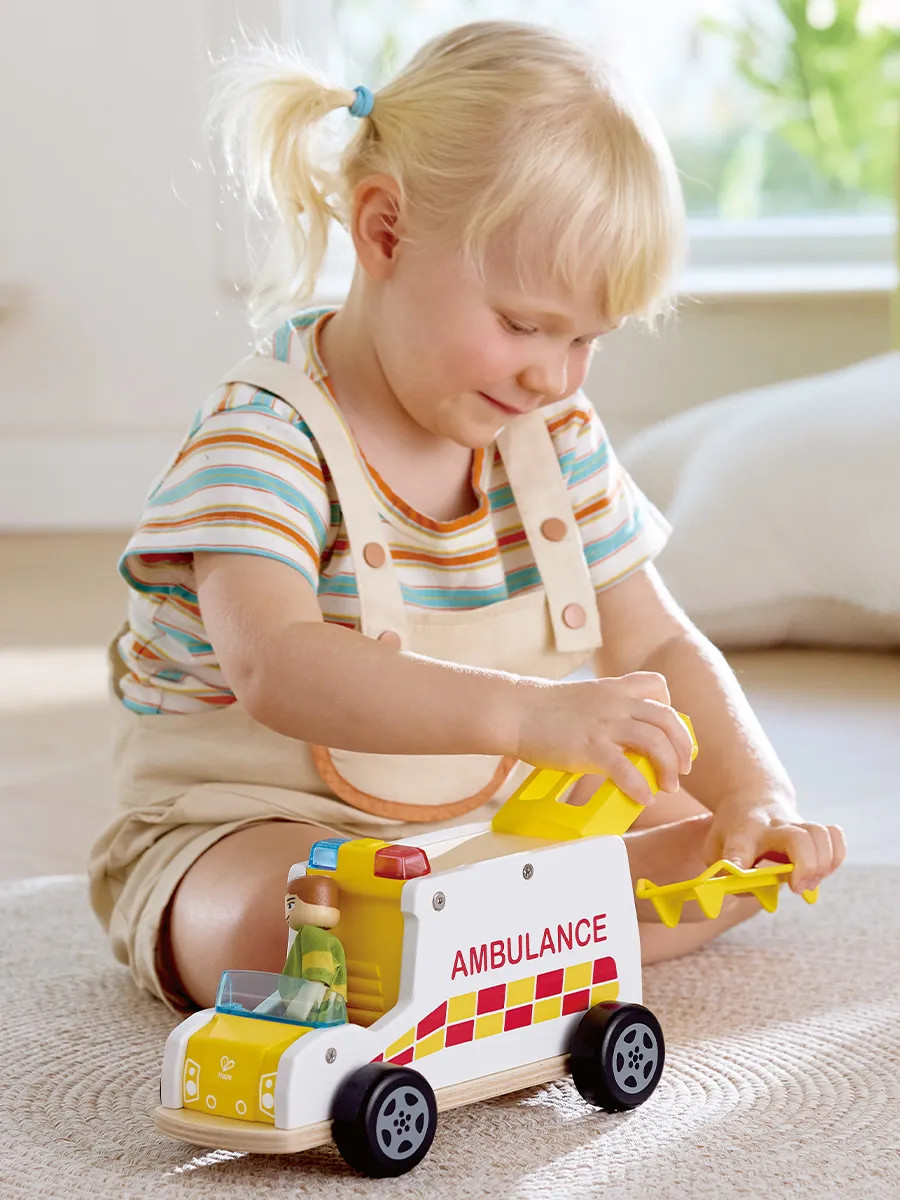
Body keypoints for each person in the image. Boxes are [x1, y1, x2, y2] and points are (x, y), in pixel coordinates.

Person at [88, 20, 845, 1015]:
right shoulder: (264, 438)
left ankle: (476, 933)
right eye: (525, 324)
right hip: (258, 820)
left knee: (727, 857)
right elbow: (277, 664)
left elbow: (656, 634)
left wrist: (757, 796)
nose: (554, 373)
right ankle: (488, 935)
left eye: (588, 339)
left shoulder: (555, 437)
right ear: (384, 232)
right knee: (268, 923)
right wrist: (533, 715)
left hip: (501, 819)